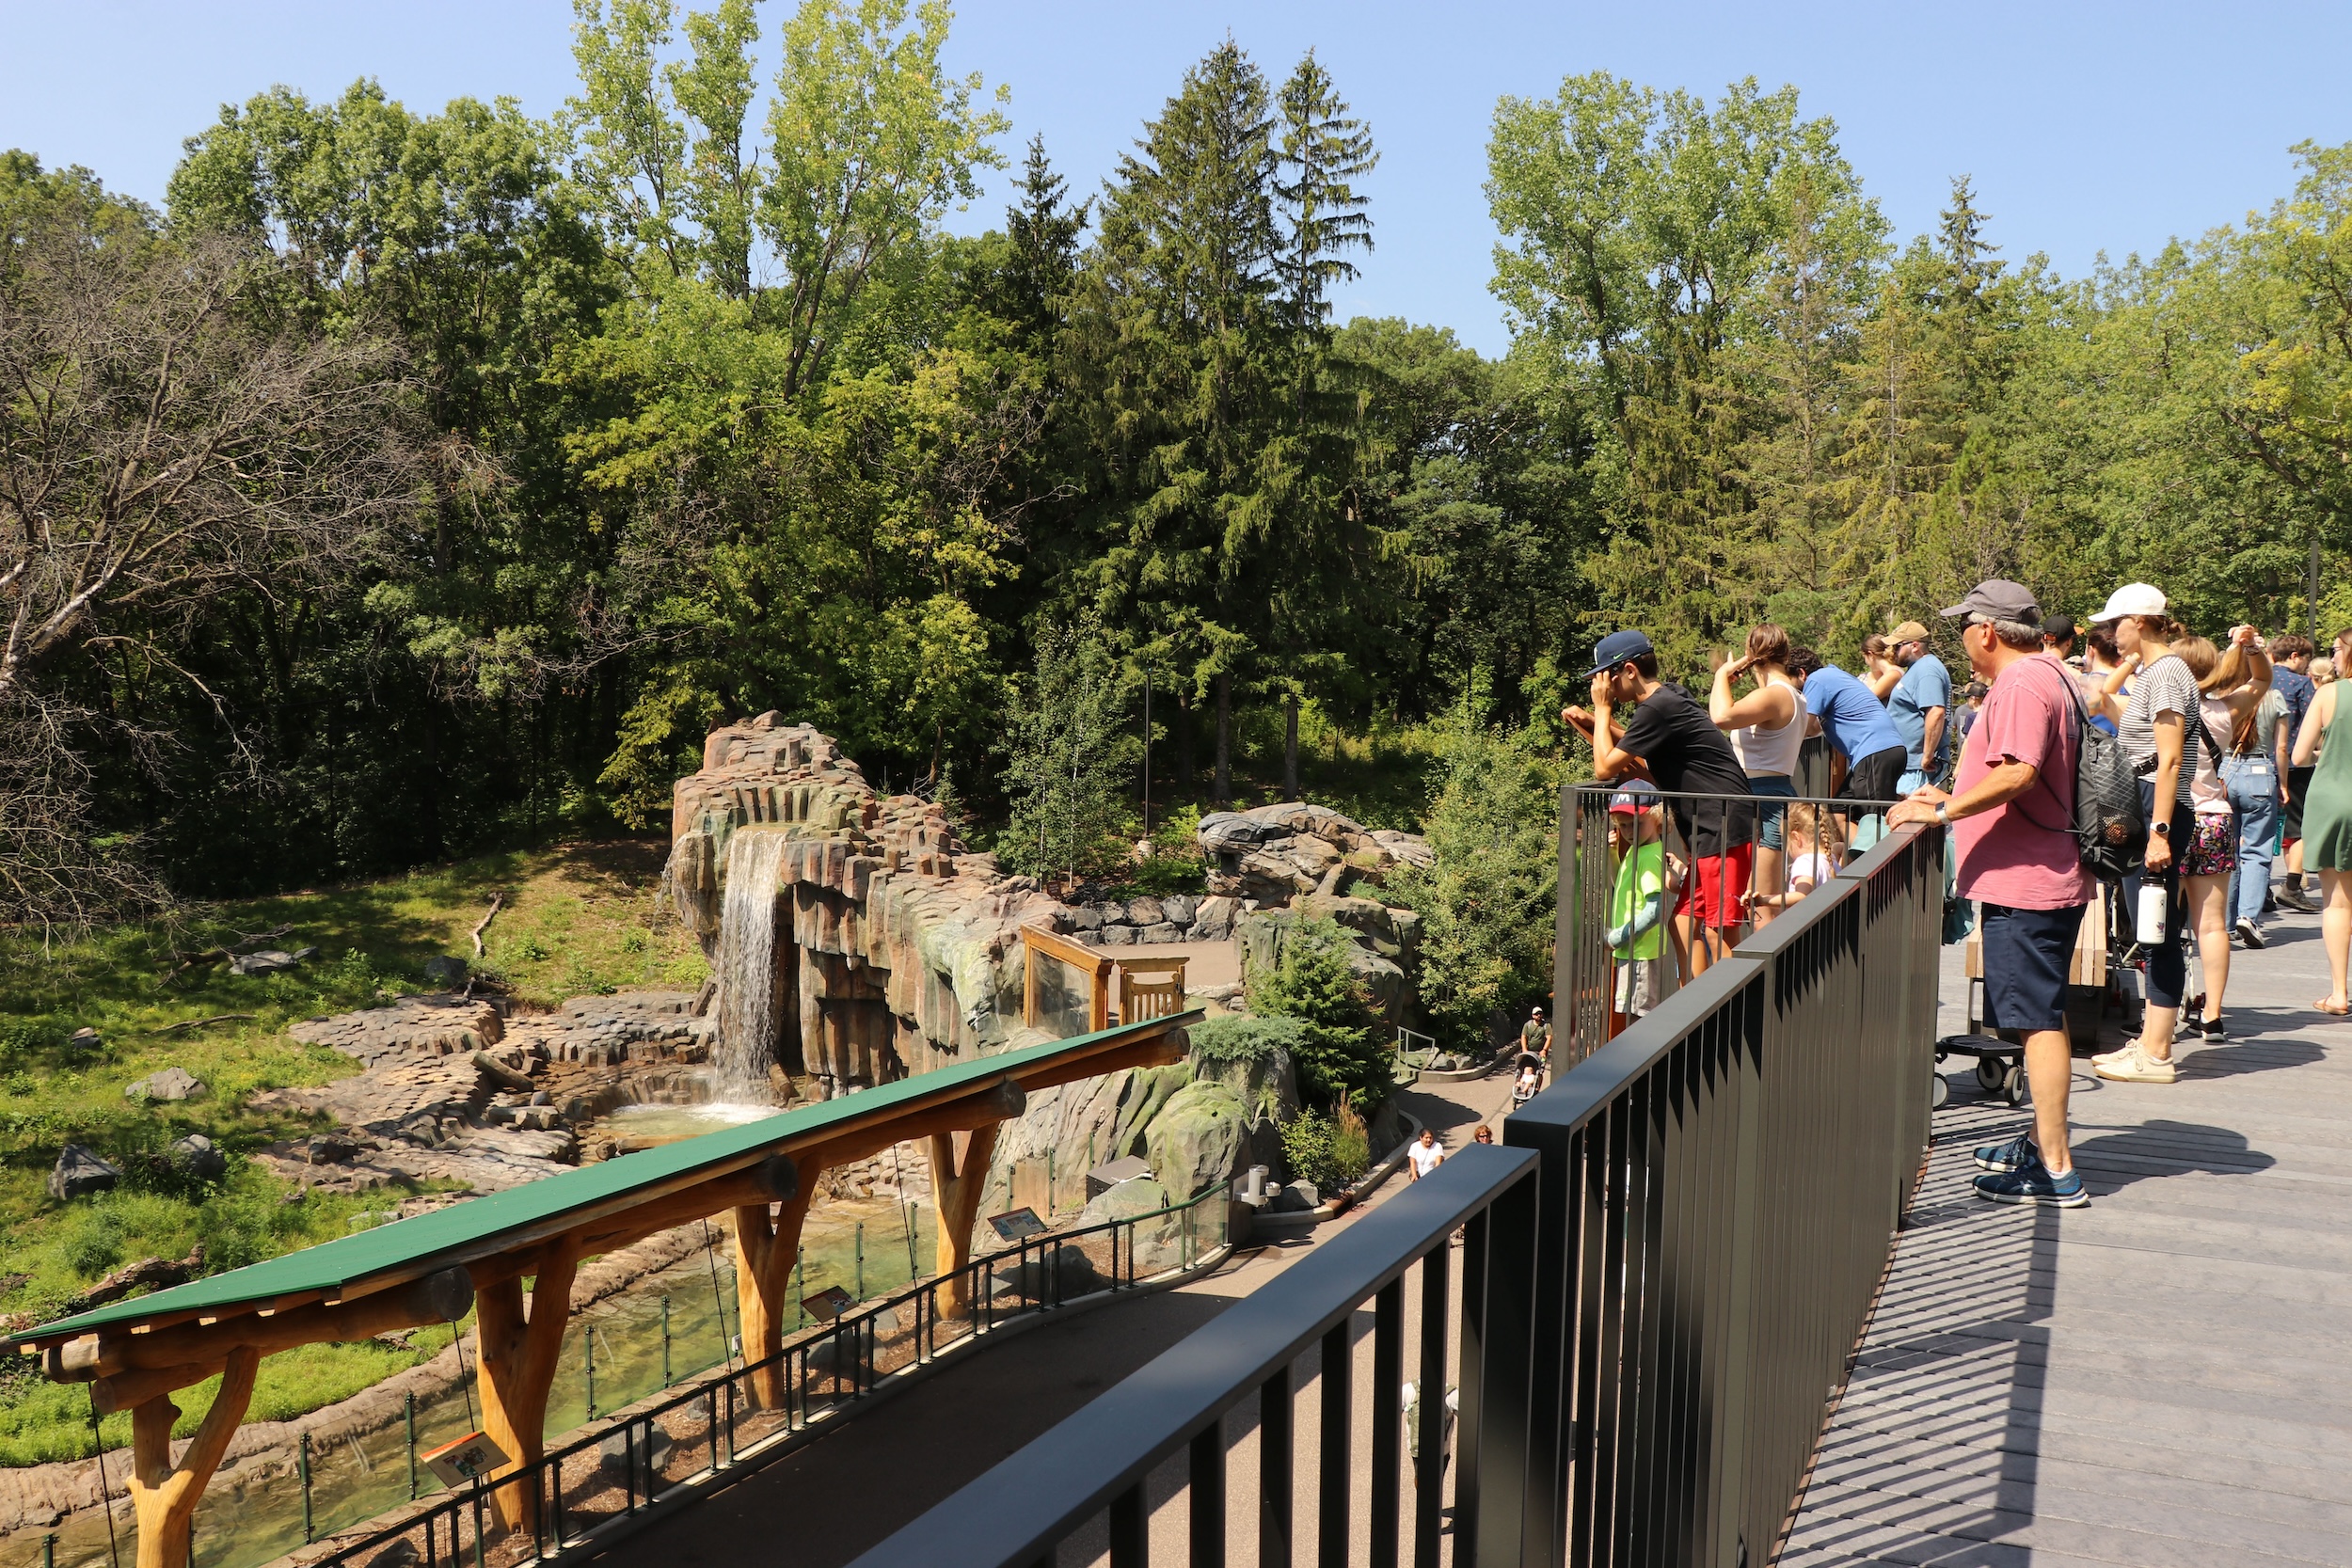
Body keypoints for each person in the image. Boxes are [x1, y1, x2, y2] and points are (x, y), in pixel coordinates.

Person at [1887, 579, 2091, 1207]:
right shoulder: (2050, 672)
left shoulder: (2024, 683)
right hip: (2039, 873)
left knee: (2035, 1022)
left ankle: (2055, 1169)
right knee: (2040, 1013)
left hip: (2029, 880)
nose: (1961, 642)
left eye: (1963, 629)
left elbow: (2019, 770)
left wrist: (1943, 809)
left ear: (1987, 631)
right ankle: (2039, 1140)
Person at [1563, 630, 1754, 977]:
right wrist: (1596, 723)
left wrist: (1601, 710)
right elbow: (1638, 743)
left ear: (1630, 670)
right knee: (1681, 921)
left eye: (1606, 677)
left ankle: (1732, 1010)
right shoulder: (1666, 698)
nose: (1603, 686)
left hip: (1722, 822)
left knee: (1720, 929)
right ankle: (1694, 1005)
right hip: (1707, 825)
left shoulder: (1657, 707)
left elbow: (1604, 766)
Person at [2091, 584, 2199, 1084]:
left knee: (2157, 933)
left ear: (2140, 620)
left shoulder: (2170, 672)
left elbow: (2170, 759)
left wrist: (2158, 832)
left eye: (2116, 623)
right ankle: (2151, 1042)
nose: (2111, 633)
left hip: (2159, 812)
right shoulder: (2156, 671)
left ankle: (2156, 1054)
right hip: (2146, 809)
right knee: (2149, 929)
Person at [2163, 630, 2269, 1039]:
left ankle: (2163, 1014)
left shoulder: (2159, 713)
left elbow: (2100, 695)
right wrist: (2251, 648)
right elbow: (2261, 681)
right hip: (2212, 820)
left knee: (2163, 926)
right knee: (2211, 926)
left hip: (2169, 822)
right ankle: (2214, 1014)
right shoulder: (2223, 712)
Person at [1709, 625, 1805, 923]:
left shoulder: (1775, 696)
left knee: (1761, 907)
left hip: (1766, 801)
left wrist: (1721, 677)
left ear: (1751, 657)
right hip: (1768, 798)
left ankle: (1769, 970)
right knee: (1757, 903)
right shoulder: (1792, 695)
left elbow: (1721, 716)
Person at [1794, 652, 1908, 848]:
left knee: (1874, 821)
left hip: (1874, 751)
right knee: (1839, 810)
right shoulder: (1834, 676)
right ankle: (1861, 859)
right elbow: (1812, 729)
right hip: (1881, 751)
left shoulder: (1816, 680)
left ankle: (1878, 871)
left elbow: (1803, 727)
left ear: (1802, 674)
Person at [2294, 648, 2352, 1015]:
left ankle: (2339, 992)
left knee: (2337, 901)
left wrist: (2326, 751)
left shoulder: (2330, 693)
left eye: (2336, 650)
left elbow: (2299, 756)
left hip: (2334, 798)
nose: (2332, 658)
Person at [2222, 636, 2289, 946]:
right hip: (2260, 773)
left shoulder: (2221, 694)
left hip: (2225, 769)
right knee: (2257, 851)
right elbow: (2282, 747)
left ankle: (2223, 919)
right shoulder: (2273, 696)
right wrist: (2284, 784)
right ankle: (2247, 915)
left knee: (2228, 851)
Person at [1606, 782, 1670, 1026]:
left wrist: (1616, 938)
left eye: (1636, 823)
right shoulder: (1637, 850)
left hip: (1639, 950)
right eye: (1623, 826)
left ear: (1656, 817)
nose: (1629, 831)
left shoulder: (1650, 856)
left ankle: (1642, 1064)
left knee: (1640, 1015)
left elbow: (1654, 911)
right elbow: (1619, 882)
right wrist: (1613, 853)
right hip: (1632, 948)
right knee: (1631, 1012)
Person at [2271, 634, 2319, 911]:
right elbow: (2314, 721)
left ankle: (2257, 889)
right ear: (2294, 657)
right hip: (2294, 763)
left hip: (2257, 763)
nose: (2306, 666)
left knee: (2258, 829)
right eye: (2305, 660)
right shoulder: (2301, 684)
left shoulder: (2258, 680)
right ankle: (2292, 884)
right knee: (2299, 826)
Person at [1883, 620, 1954, 795]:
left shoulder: (1927, 670)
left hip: (1919, 770)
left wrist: (1927, 755)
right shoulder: (1920, 668)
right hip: (1913, 766)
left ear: (1914, 646)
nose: (1894, 651)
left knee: (1906, 820)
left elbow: (1936, 712)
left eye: (1898, 646)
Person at [1741, 802, 1839, 912]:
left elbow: (1801, 896)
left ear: (1796, 837)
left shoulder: (1805, 862)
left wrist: (1764, 900)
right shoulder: (1831, 860)